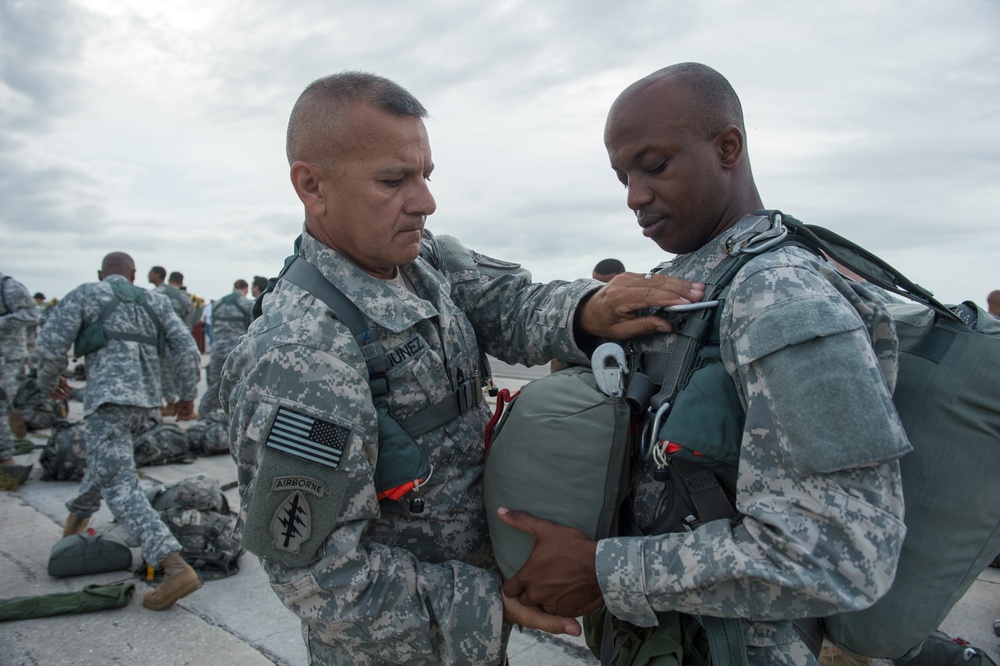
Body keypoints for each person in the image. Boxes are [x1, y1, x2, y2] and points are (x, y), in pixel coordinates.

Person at [220, 71, 703, 665]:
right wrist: (490, 604)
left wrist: (590, 309)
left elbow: (509, 305)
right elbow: (319, 580)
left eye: (425, 175)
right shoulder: (298, 356)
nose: (425, 201)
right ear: (312, 186)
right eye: (394, 180)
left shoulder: (425, 261)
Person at [498, 63, 911, 665]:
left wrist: (605, 570)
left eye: (654, 165)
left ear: (727, 148)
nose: (635, 195)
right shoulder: (689, 283)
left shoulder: (783, 297)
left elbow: (842, 552)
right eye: (623, 176)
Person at [35, 252, 203, 610]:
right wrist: (187, 396)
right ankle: (73, 527)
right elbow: (187, 348)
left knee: (120, 486)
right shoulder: (154, 300)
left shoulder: (88, 293)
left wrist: (49, 383)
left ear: (101, 274)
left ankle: (173, 565)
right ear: (134, 275)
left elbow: (50, 345)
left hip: (108, 402)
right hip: (144, 404)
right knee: (109, 464)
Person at [551, 259, 627, 371]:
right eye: (596, 283)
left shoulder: (632, 309)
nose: (602, 289)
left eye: (608, 284)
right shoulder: (579, 308)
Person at [1, 271, 41, 461]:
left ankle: (5, 458)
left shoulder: (8, 287)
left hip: (8, 357)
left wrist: (2, 322)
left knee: (1, 403)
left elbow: (32, 314)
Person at [198, 279, 251, 415]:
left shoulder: (217, 304)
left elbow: (211, 325)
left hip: (217, 350)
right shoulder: (246, 304)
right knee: (238, 387)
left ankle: (204, 416)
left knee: (214, 386)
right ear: (244, 289)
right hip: (236, 352)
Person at [149, 266, 193, 417]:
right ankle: (177, 402)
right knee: (178, 373)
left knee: (160, 373)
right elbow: (189, 319)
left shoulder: (156, 294)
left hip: (160, 340)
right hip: (179, 339)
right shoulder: (184, 296)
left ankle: (168, 403)